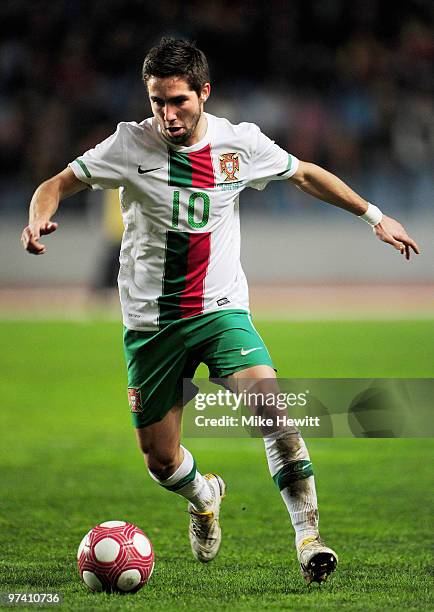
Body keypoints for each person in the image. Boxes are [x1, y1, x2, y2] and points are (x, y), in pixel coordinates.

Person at [21, 37, 420, 585]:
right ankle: (204, 494)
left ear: (204, 93)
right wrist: (37, 216)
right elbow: (55, 184)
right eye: (157, 100)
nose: (167, 113)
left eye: (179, 100)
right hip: (150, 322)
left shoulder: (241, 144)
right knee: (161, 461)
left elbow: (304, 173)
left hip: (220, 308)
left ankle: (309, 539)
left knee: (274, 410)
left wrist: (375, 215)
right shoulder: (126, 145)